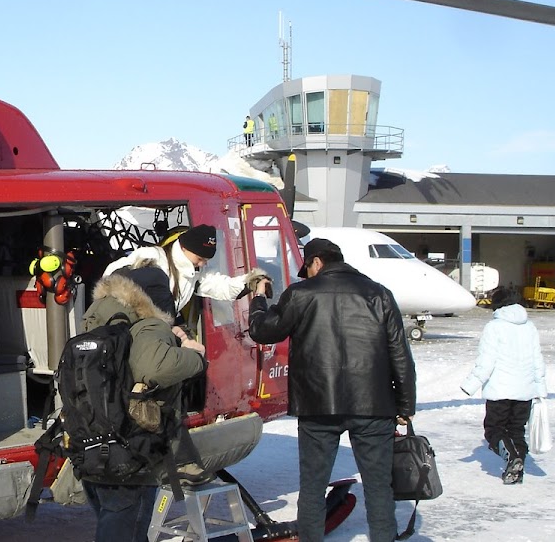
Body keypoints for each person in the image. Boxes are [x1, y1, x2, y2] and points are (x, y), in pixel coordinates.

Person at [247, 238, 416, 542]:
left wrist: (258, 300)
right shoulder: (379, 294)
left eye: (307, 269)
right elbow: (400, 354)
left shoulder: (300, 294)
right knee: (379, 487)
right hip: (374, 404)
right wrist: (405, 405)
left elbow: (263, 331)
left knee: (312, 486)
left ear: (317, 262)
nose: (306, 275)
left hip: (317, 404)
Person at [79, 266, 207, 542]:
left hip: (93, 444)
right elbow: (155, 366)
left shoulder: (99, 322)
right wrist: (194, 356)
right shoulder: (148, 326)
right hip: (132, 450)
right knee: (129, 528)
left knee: (112, 519)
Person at [104, 225, 264, 336]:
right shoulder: (152, 257)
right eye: (200, 258)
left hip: (157, 333)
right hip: (129, 328)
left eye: (206, 260)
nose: (202, 264)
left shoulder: (194, 273)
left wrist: (249, 281)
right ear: (184, 247)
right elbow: (112, 279)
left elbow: (219, 285)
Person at [460, 286, 547, 485]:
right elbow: (537, 360)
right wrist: (540, 388)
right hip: (525, 391)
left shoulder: (494, 327)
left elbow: (486, 361)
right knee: (516, 430)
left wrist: (470, 384)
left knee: (494, 431)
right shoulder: (529, 326)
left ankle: (512, 459)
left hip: (500, 391)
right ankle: (517, 470)